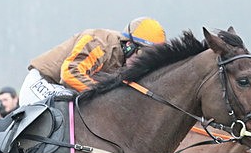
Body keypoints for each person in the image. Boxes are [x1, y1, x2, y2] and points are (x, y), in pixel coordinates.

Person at [19, 17, 165, 105]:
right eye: (144, 54)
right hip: (42, 83)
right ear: (129, 45)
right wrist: (105, 93)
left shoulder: (124, 60)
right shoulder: (99, 43)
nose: (144, 62)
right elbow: (69, 74)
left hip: (62, 88)